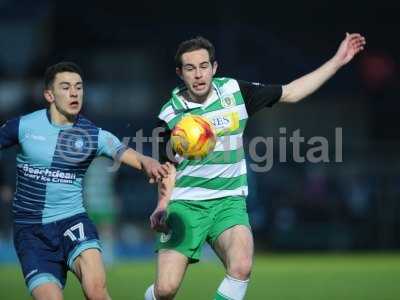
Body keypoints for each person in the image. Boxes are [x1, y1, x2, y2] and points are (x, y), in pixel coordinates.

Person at [145, 33, 366, 300]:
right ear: (180, 73)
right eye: (190, 68)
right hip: (185, 205)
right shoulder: (169, 115)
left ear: (214, 68)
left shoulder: (235, 92)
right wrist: (162, 204)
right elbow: (166, 168)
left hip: (228, 203)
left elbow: (292, 92)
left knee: (241, 266)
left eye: (204, 66)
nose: (199, 74)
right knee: (166, 290)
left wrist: (337, 61)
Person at [0, 61, 169, 300]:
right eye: (66, 87)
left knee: (96, 291)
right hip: (31, 231)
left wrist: (148, 162)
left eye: (79, 87)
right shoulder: (23, 126)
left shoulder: (93, 135)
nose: (74, 93)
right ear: (49, 94)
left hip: (72, 221)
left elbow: (127, 153)